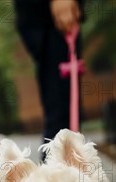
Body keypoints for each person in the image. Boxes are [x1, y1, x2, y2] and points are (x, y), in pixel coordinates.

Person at [14, 0, 83, 143]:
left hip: (43, 19)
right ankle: (58, 163)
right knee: (61, 123)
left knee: (63, 119)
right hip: (50, 19)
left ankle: (59, 162)